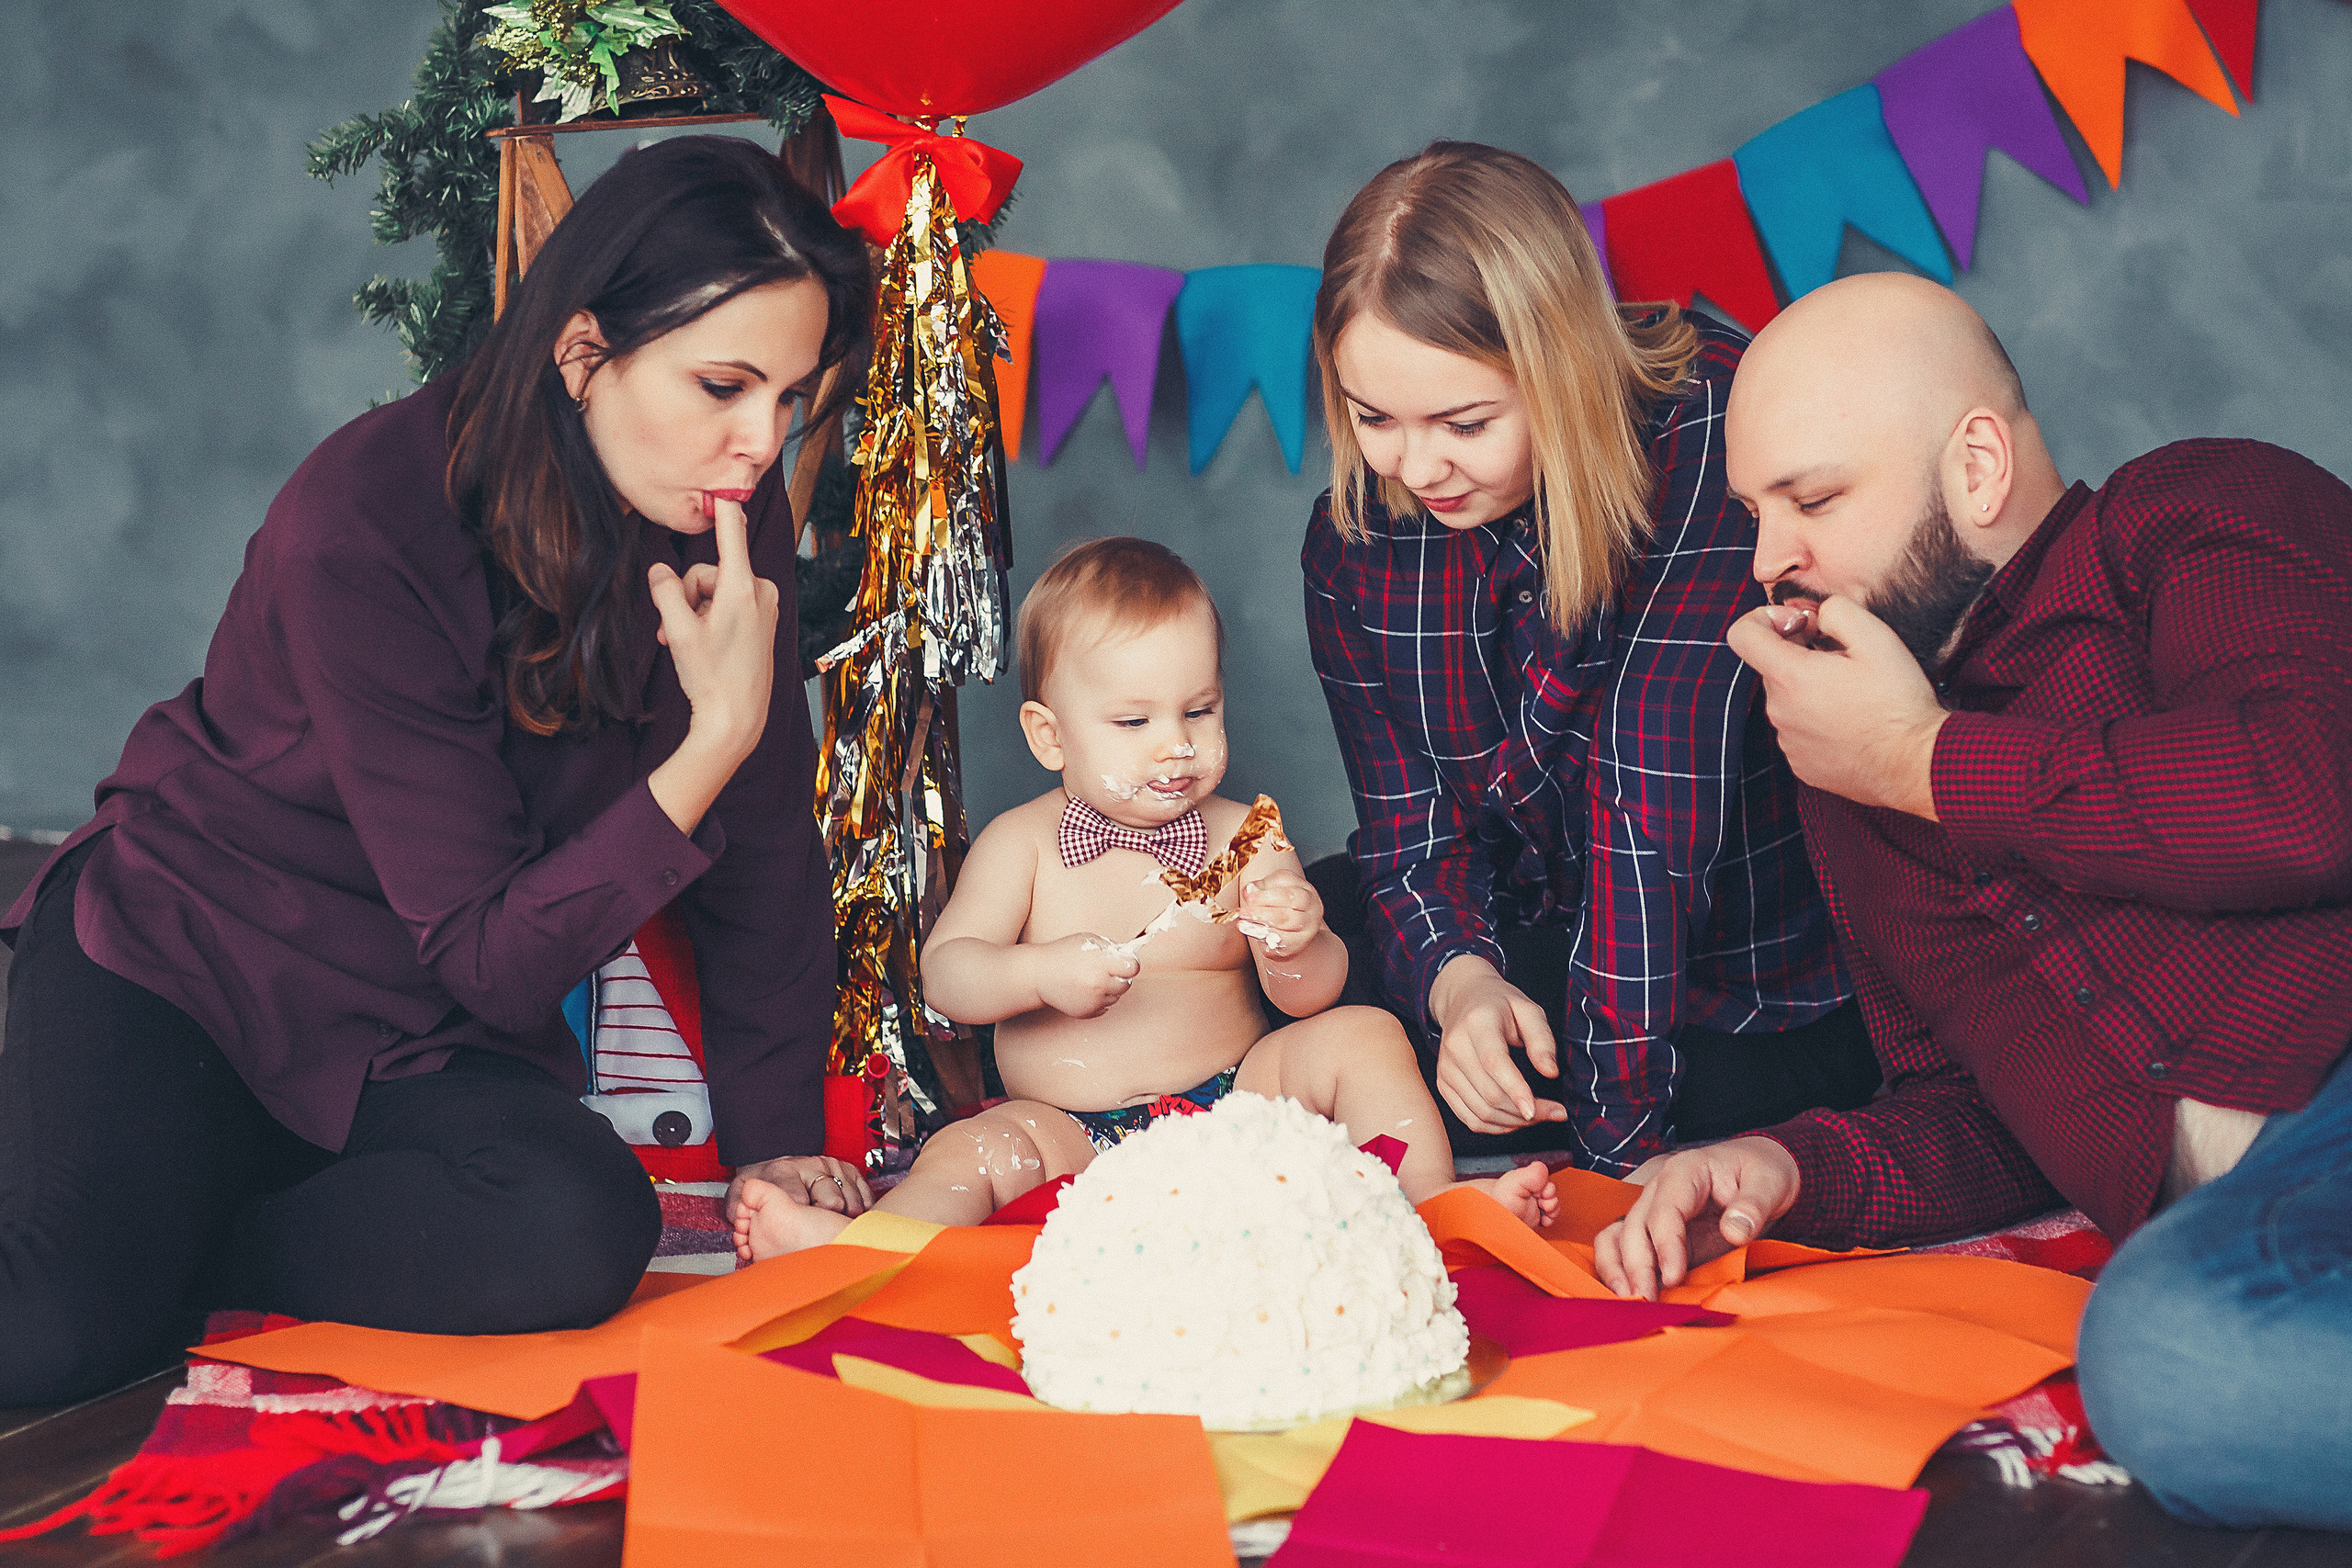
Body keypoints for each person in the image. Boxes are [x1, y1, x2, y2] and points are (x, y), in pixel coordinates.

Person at [0, 138, 873, 1404]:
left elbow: (769, 865)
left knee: (574, 1229)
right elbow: (492, 947)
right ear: (582, 351)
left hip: (419, 1032)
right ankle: (132, 1239)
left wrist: (781, 1146)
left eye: (790, 399)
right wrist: (713, 743)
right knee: (56, 1333)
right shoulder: (363, 522)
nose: (759, 444)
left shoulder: (725, 513)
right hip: (195, 959)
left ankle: (191, 1243)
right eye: (723, 384)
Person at [1595, 271, 2352, 1531]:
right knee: (2170, 1361)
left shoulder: (2188, 512)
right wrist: (1784, 1165)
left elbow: (2305, 792)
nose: (1771, 557)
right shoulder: (1847, 785)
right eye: (1754, 512)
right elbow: (1995, 1115)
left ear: (1980, 465)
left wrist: (1925, 760)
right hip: (2255, 1225)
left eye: (1815, 499)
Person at [734, 537, 1559, 1258]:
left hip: (1237, 1109)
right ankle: (871, 1248)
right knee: (972, 1147)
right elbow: (950, 978)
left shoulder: (1246, 835)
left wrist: (1298, 943)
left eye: (1198, 710)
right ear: (1049, 735)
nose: (1177, 745)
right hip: (1071, 1132)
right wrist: (1038, 973)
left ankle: (1428, 1210)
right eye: (1134, 722)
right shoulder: (1021, 844)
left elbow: (1311, 998)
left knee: (1365, 1033)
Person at [1302, 141, 1868, 1176]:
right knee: (1283, 942)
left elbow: (1654, 818)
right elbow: (1405, 829)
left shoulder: (1713, 431)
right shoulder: (1357, 541)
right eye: (1372, 417)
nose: (1414, 465)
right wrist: (1458, 985)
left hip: (1740, 972)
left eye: (1463, 422)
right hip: (1546, 933)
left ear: (1556, 364)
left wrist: (1617, 1157)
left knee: (1381, 1080)